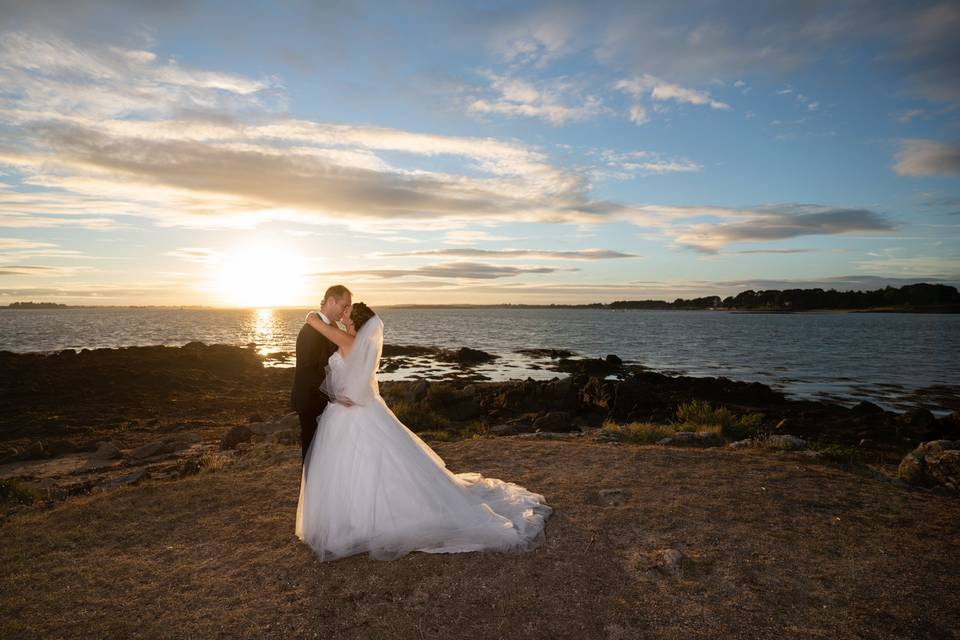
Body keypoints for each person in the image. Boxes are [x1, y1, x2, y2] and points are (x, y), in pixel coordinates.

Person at [295, 302, 552, 561]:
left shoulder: (351, 340)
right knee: (359, 465)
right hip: (352, 409)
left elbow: (319, 330)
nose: (343, 315)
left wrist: (342, 396)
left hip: (352, 412)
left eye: (347, 313)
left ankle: (360, 521)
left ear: (356, 322)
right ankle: (349, 517)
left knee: (363, 465)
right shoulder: (359, 341)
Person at [289, 284, 352, 463]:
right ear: (331, 301)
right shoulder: (310, 331)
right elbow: (307, 371)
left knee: (324, 457)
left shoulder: (330, 328)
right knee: (311, 455)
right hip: (311, 403)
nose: (346, 310)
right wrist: (335, 396)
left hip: (325, 402)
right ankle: (309, 490)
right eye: (344, 305)